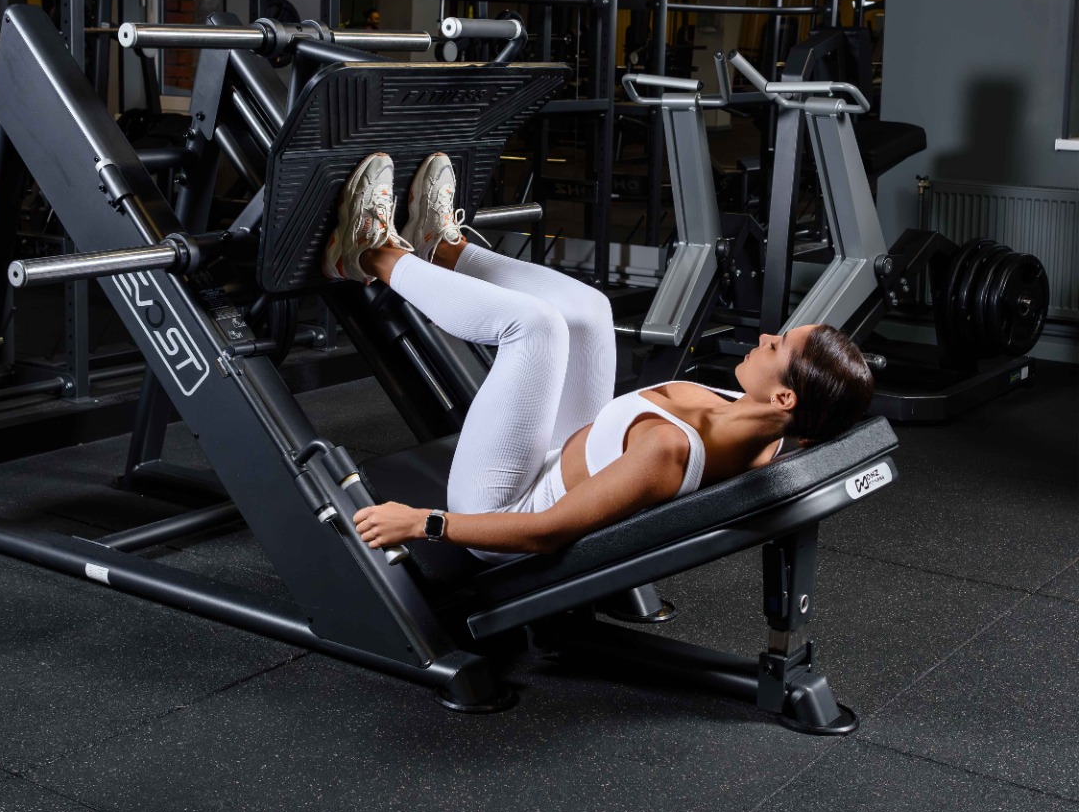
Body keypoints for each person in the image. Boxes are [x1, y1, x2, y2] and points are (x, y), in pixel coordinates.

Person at [323, 151, 874, 561]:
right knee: (590, 311)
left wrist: (423, 522)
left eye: (778, 347)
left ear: (784, 397)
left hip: (504, 507)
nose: (766, 337)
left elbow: (545, 532)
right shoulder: (765, 423)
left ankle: (368, 254)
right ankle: (442, 248)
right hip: (567, 454)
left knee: (534, 327)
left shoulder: (666, 451)